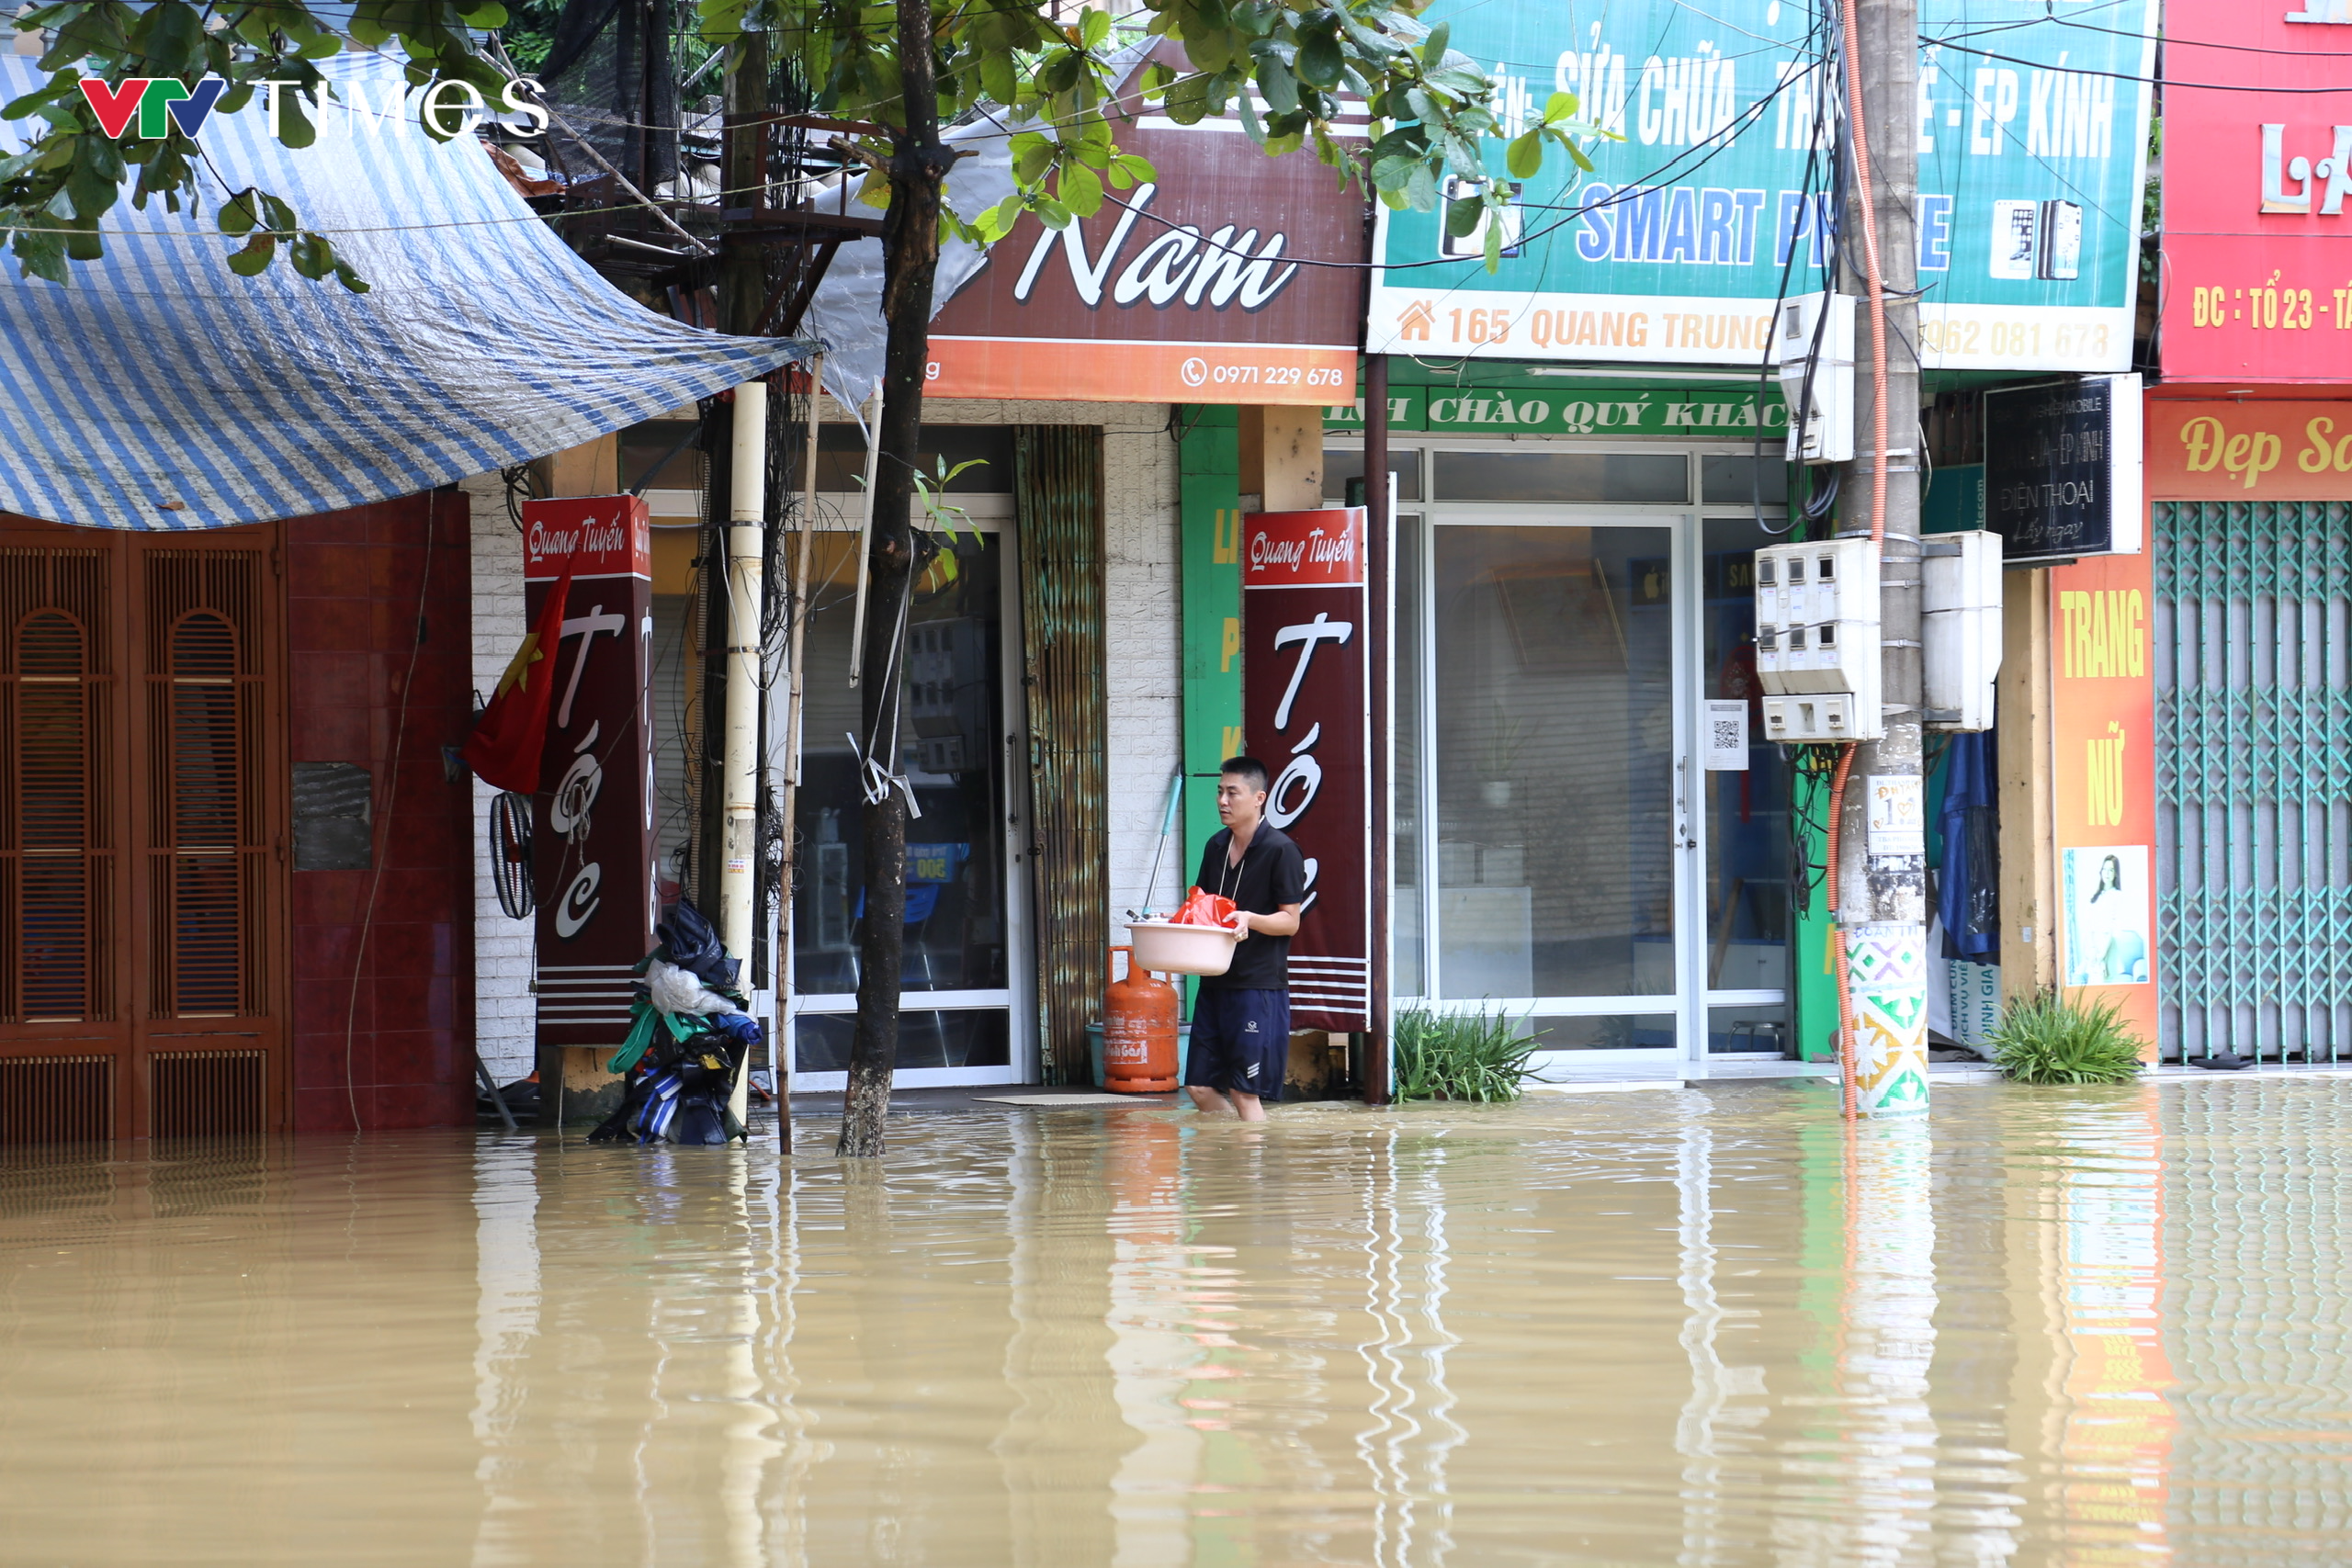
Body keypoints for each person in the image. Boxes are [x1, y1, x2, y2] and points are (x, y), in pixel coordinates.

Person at [1185, 756, 1306, 1122]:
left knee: (1243, 1091)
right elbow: (1202, 905)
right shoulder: (1215, 845)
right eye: (1219, 792)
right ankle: (1229, 1164)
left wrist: (1250, 919)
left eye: (1232, 793)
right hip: (1214, 981)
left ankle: (1254, 1171)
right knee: (1198, 1087)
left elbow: (1290, 922)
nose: (1222, 800)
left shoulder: (1281, 849)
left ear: (1259, 798)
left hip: (1257, 988)